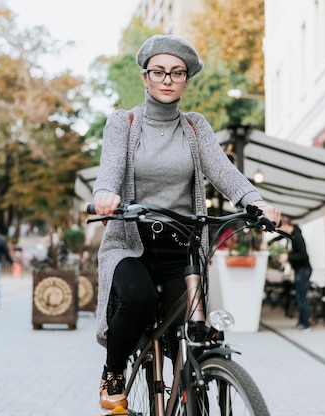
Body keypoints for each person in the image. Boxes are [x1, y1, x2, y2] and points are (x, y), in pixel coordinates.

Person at [91, 34, 281, 414]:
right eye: (158, 71)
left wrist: (253, 200)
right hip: (132, 241)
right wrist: (106, 195)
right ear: (145, 77)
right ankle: (113, 372)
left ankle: (191, 382)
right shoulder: (124, 123)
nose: (167, 79)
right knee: (140, 298)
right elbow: (110, 170)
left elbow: (223, 170)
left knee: (193, 322)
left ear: (185, 80)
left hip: (182, 245)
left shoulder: (195, 127)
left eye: (176, 73)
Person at [277, 215, 312, 330]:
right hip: (299, 270)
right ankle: (302, 321)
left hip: (303, 270)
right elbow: (279, 238)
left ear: (286, 225)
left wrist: (288, 257)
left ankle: (305, 323)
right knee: (299, 296)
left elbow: (303, 255)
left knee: (301, 297)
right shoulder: (292, 236)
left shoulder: (297, 236)